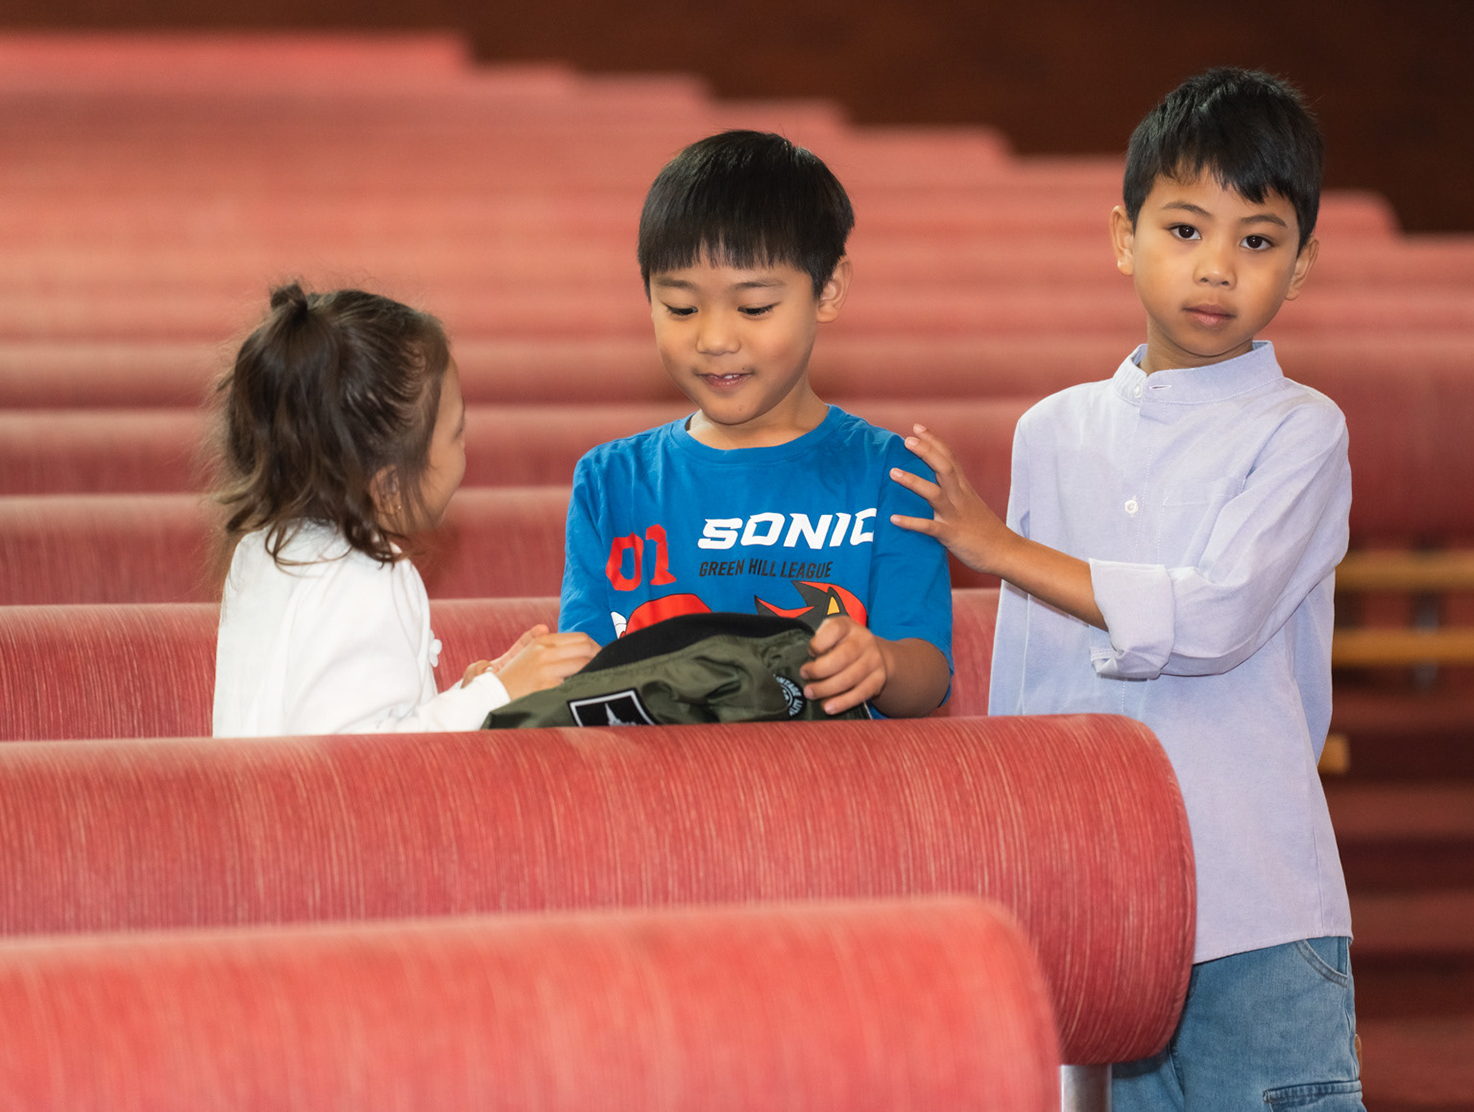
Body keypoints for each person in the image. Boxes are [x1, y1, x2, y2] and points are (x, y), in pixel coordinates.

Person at [890, 69, 1362, 1109]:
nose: (1216, 268)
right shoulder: (1053, 429)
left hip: (1253, 892)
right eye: (1184, 229)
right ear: (1123, 236)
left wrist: (999, 546)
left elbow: (1217, 616)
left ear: (1301, 265)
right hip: (1099, 891)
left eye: (1258, 241)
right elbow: (1032, 678)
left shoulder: (1302, 430)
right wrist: (1021, 861)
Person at [559, 130, 952, 718]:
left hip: (834, 772)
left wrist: (882, 662)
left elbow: (929, 675)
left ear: (828, 289)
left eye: (754, 308)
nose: (715, 339)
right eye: (681, 308)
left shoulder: (892, 474)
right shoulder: (610, 480)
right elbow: (585, 674)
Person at [211, 284, 599, 736]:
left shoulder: (264, 550)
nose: (464, 449)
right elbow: (362, 760)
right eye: (456, 433)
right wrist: (496, 694)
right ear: (390, 485)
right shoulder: (364, 577)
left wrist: (472, 696)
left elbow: (351, 723)